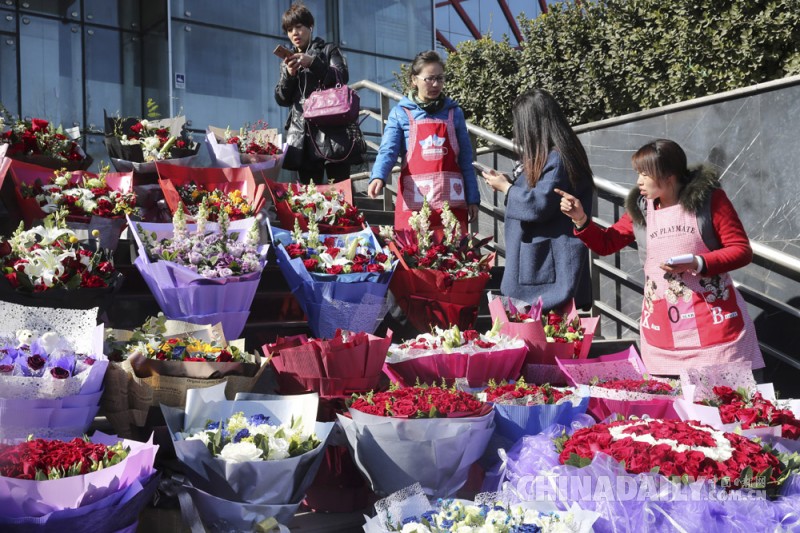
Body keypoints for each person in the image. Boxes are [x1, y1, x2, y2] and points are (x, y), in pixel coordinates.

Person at [556, 139, 765, 377]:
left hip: (715, 324)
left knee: (729, 405)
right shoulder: (641, 208)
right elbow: (607, 243)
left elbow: (741, 250)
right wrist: (581, 219)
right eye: (638, 174)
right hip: (662, 327)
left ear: (668, 175)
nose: (638, 182)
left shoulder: (710, 201)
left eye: (645, 174)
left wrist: (698, 262)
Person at [480, 89, 594, 312]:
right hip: (543, 263)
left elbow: (539, 203)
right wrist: (509, 182)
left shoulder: (557, 157)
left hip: (549, 267)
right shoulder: (554, 155)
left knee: (548, 337)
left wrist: (506, 188)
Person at [367, 50, 479, 231]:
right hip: (415, 205)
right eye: (429, 78)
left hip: (452, 203)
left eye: (440, 78)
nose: (436, 84)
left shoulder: (454, 113)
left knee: (453, 257)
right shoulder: (400, 113)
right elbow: (388, 150)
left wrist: (473, 198)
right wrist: (378, 176)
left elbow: (466, 159)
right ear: (414, 80)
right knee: (414, 258)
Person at [274, 3, 359, 184]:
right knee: (308, 197)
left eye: (298, 27)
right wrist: (290, 76)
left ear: (310, 27)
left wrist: (313, 63)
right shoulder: (287, 62)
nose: (294, 33)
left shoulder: (328, 50)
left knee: (340, 190)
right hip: (303, 135)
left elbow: (342, 76)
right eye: (289, 30)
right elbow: (282, 99)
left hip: (332, 129)